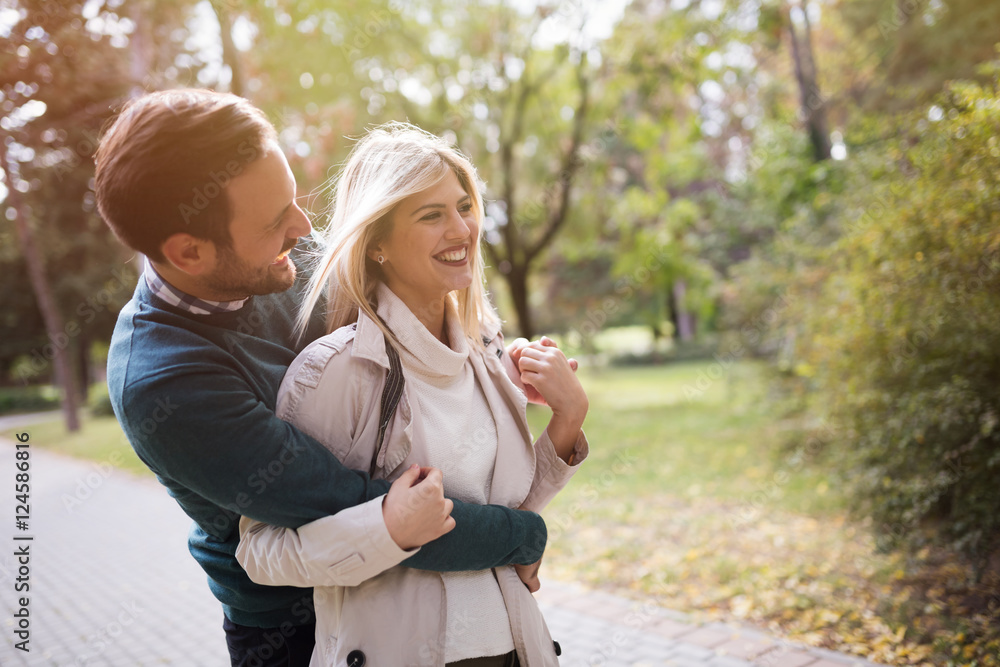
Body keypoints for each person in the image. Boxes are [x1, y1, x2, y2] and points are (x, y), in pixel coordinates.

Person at [95, 90, 554, 667]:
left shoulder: (285, 254)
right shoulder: (165, 385)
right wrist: (521, 537)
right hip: (293, 625)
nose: (303, 228)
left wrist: (497, 365)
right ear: (189, 252)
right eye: (274, 221)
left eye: (294, 200)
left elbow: (411, 321)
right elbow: (353, 505)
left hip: (414, 591)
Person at [236, 123, 590, 667]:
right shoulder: (335, 372)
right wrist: (387, 529)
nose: (463, 229)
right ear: (376, 243)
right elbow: (261, 551)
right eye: (432, 215)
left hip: (517, 650)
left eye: (464, 206)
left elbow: (506, 520)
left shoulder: (488, 353)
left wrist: (566, 420)